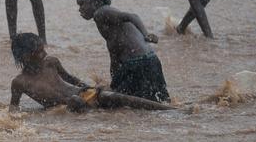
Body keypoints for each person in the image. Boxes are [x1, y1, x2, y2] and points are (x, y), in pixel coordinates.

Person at [9, 33, 174, 113]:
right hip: (69, 106)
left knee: (117, 97)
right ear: (25, 56)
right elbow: (13, 108)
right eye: (39, 52)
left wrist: (90, 87)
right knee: (76, 102)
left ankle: (168, 109)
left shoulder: (51, 62)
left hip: (83, 94)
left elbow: (71, 79)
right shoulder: (20, 82)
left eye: (43, 49)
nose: (44, 54)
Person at [76, 0, 170, 103]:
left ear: (95, 1)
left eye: (82, 4)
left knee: (119, 103)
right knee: (158, 100)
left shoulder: (101, 12)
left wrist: (146, 34)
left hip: (137, 64)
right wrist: (114, 81)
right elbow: (114, 51)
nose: (80, 9)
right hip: (151, 61)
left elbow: (133, 16)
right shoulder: (104, 19)